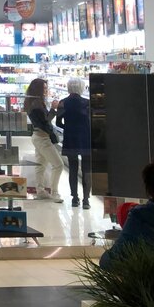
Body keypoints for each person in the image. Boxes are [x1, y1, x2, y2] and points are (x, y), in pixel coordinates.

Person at [23, 78, 64, 203]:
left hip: (38, 136)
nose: (46, 90)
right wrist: (53, 109)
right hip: (42, 138)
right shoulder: (37, 104)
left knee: (40, 165)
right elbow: (45, 121)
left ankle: (40, 191)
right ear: (38, 89)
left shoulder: (33, 102)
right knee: (58, 165)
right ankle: (54, 192)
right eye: (44, 88)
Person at [56, 77, 92, 209]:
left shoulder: (63, 103)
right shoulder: (87, 103)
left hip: (70, 138)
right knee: (87, 169)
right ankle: (86, 200)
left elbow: (58, 123)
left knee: (73, 168)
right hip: (86, 138)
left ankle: (74, 198)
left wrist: (68, 128)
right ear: (81, 87)